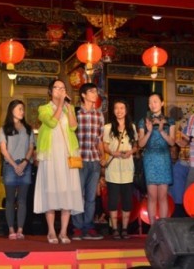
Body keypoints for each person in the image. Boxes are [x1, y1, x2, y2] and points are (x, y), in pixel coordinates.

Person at [34, 79, 83, 244]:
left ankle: (63, 232)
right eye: (56, 88)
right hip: (51, 155)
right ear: (50, 91)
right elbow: (52, 123)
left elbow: (74, 127)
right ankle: (51, 231)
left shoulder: (69, 108)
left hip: (67, 154)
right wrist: (61, 105)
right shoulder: (44, 108)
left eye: (63, 88)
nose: (60, 90)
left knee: (67, 191)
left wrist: (69, 109)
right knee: (51, 191)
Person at [72, 82, 105, 240]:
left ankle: (89, 226)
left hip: (94, 160)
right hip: (79, 159)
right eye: (91, 92)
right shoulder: (76, 113)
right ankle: (77, 228)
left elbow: (99, 139)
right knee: (78, 195)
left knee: (91, 197)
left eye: (95, 91)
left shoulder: (99, 115)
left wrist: (102, 157)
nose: (95, 94)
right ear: (84, 95)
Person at [0, 99, 35, 240]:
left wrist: (25, 163)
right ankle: (11, 229)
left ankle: (20, 229)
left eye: (23, 109)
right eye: (19, 108)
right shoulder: (4, 129)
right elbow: (3, 149)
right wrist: (15, 165)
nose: (22, 111)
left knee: (22, 200)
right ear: (12, 110)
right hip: (10, 167)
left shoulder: (28, 128)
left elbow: (31, 147)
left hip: (25, 166)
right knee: (9, 200)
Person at [137, 92, 175, 225]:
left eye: (155, 101)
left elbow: (171, 142)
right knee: (152, 196)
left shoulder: (169, 121)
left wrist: (161, 130)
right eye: (150, 102)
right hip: (150, 158)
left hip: (164, 158)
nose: (152, 104)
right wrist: (148, 131)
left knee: (163, 196)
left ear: (162, 103)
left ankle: (163, 225)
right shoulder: (144, 121)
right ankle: (153, 227)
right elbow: (141, 144)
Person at [103, 99, 138, 239]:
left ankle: (124, 228)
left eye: (122, 108)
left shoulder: (132, 127)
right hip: (113, 167)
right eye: (116, 108)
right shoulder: (107, 127)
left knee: (127, 200)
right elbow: (104, 145)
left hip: (127, 167)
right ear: (113, 110)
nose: (119, 111)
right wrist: (112, 153)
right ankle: (114, 229)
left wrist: (131, 152)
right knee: (112, 200)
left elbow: (136, 145)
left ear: (126, 110)